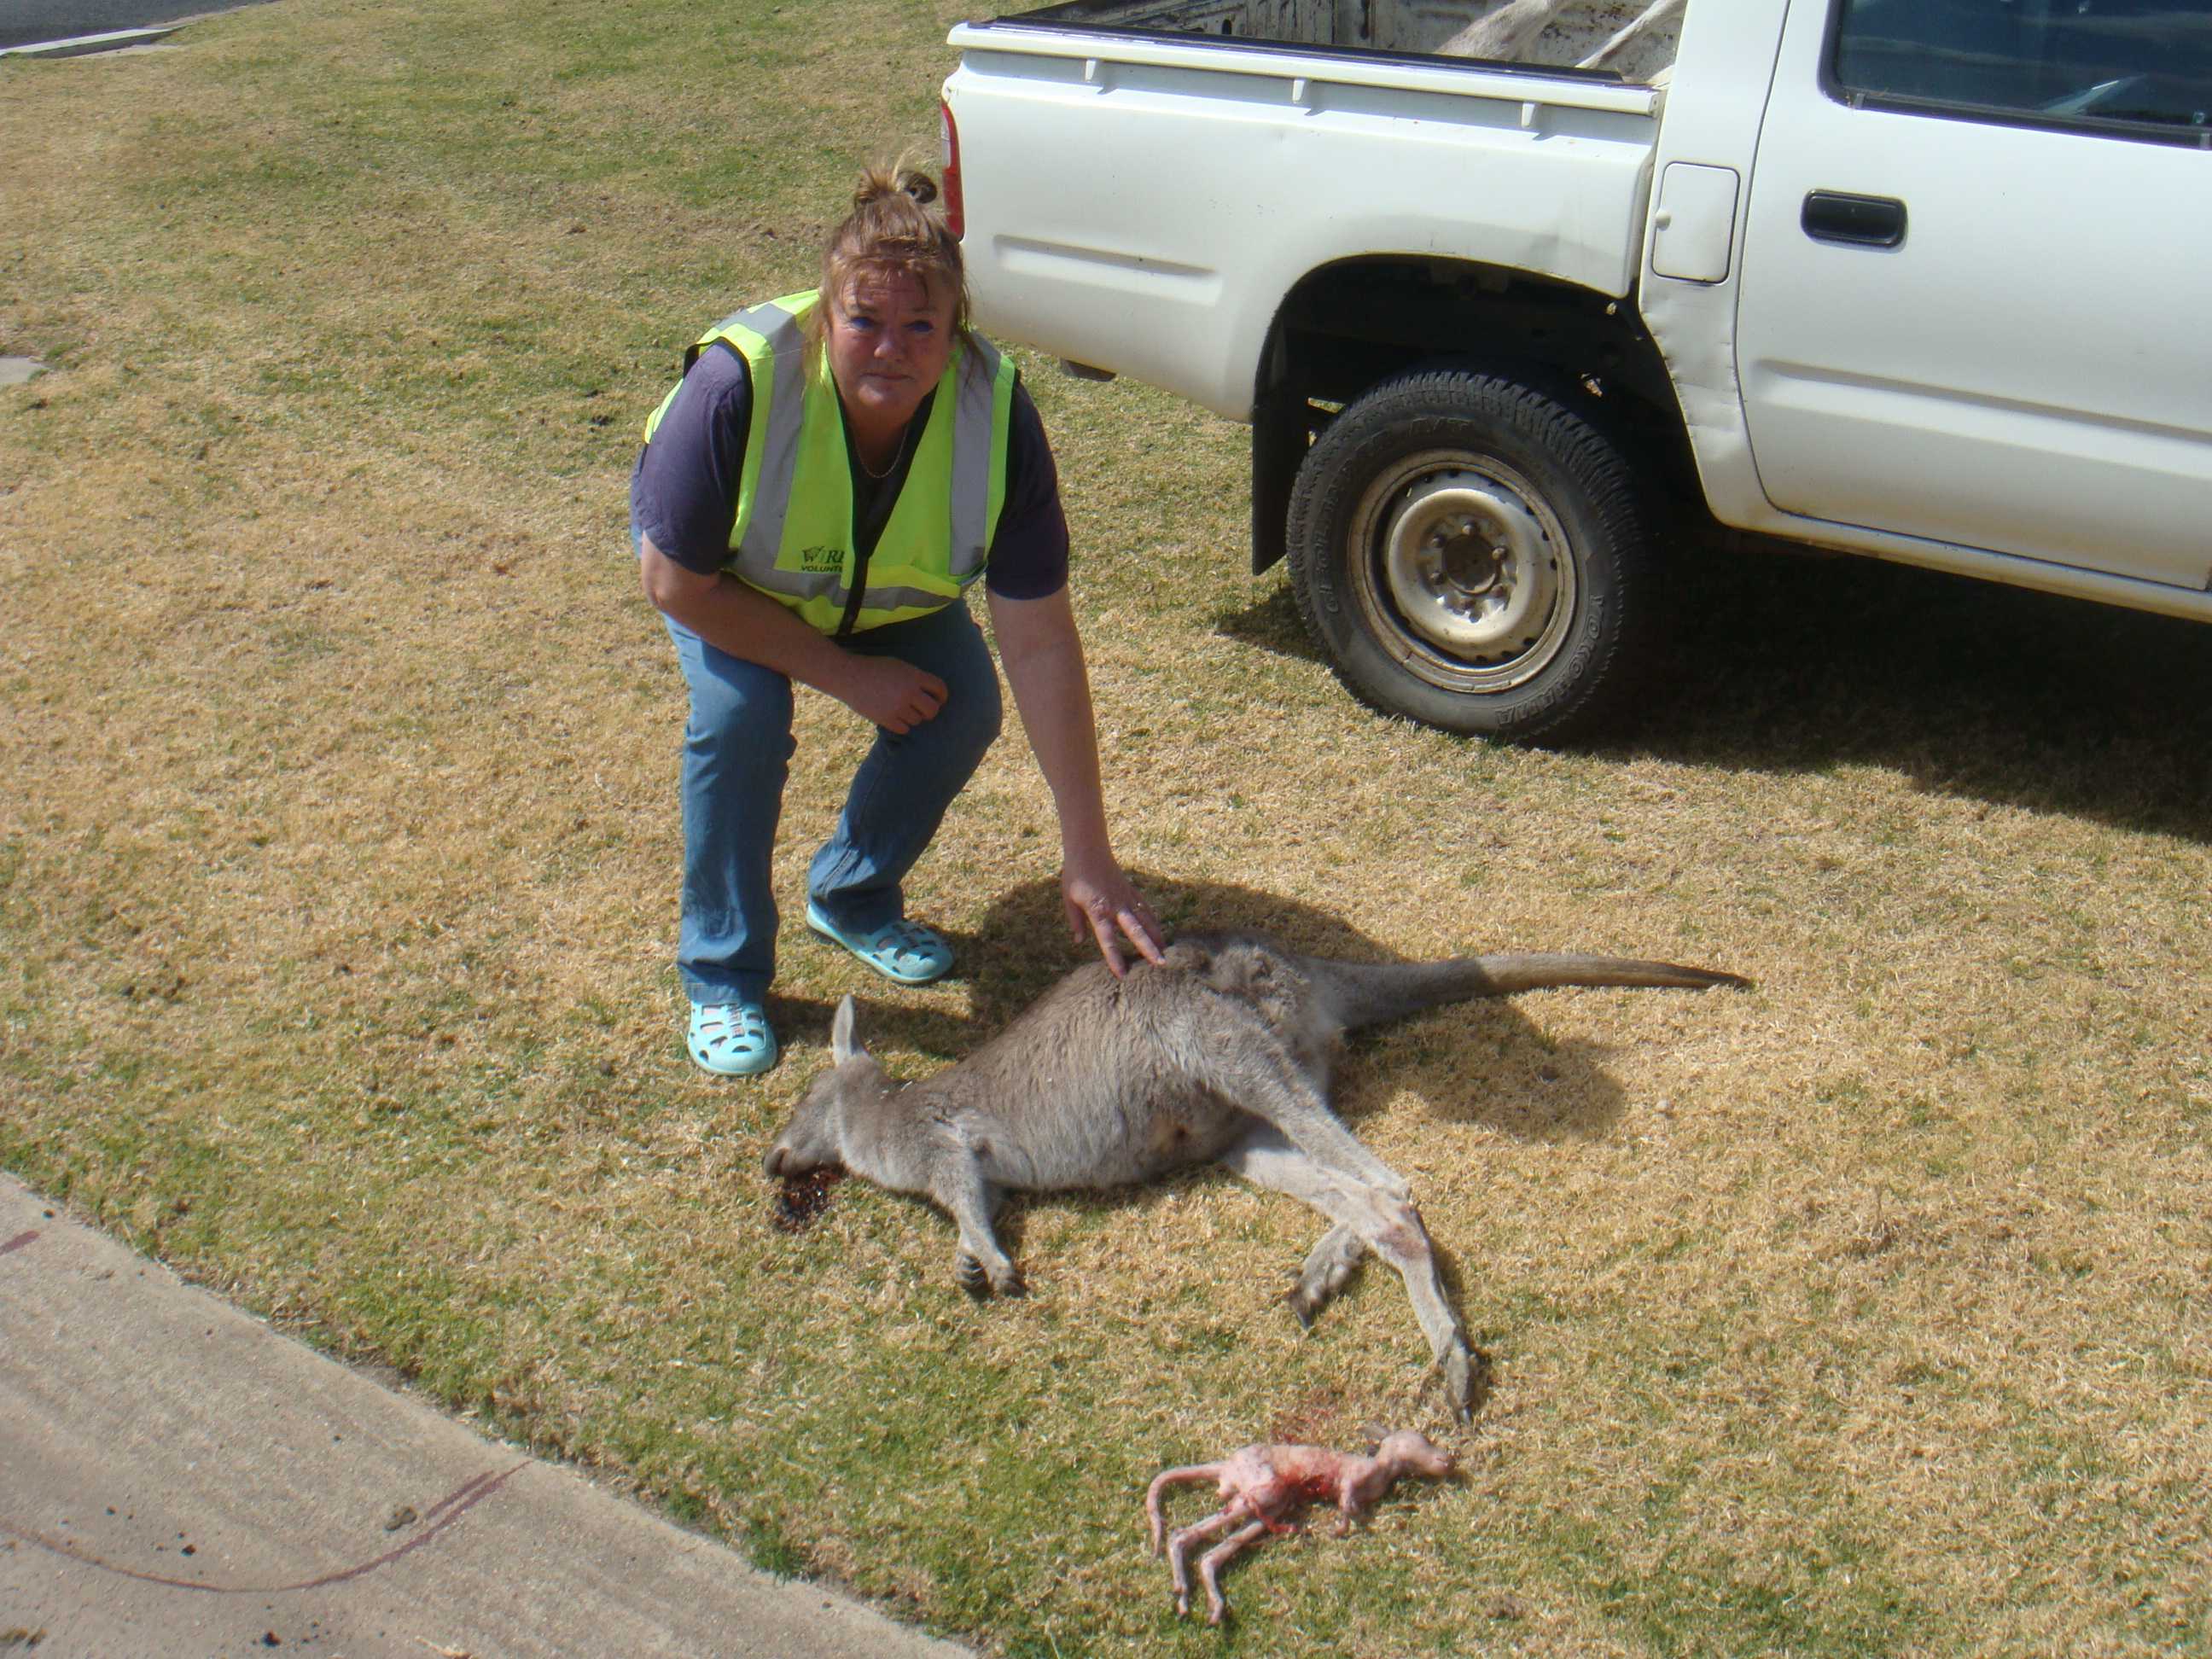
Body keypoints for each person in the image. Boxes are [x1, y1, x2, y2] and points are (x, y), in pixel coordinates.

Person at [632, 164, 1165, 1076]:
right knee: (740, 718)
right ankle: (722, 973)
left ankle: (851, 893)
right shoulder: (739, 386)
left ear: (956, 332)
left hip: (881, 590)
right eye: (864, 321)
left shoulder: (996, 413)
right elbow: (675, 583)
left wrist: (1089, 852)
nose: (892, 348)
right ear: (824, 315)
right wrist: (846, 674)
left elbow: (1037, 638)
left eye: (922, 326)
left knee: (961, 702)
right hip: (730, 584)